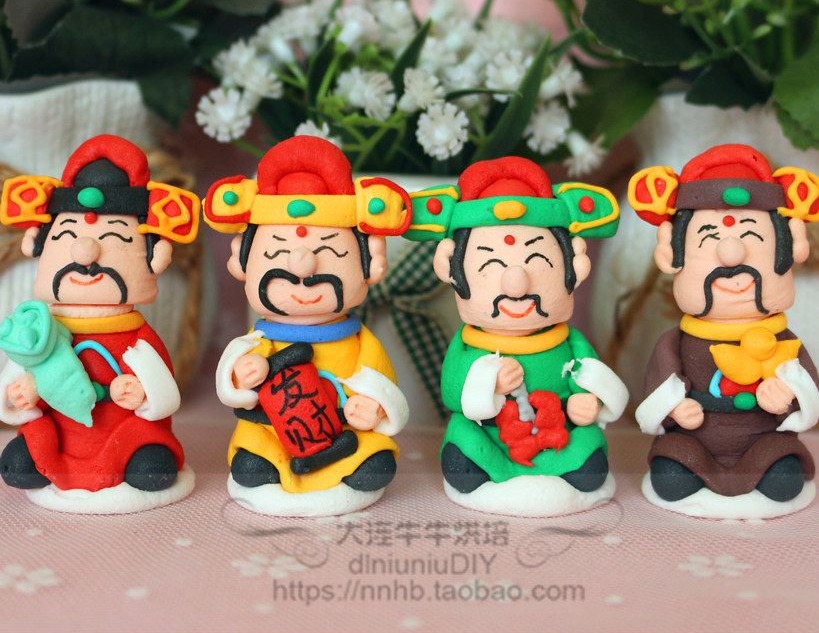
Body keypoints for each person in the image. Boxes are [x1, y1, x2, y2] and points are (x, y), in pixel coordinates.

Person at [406, 156, 627, 516]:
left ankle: (569, 468)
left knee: (589, 459)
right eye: (490, 265)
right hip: (492, 435)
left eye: (538, 262)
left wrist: (588, 402)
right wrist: (488, 384)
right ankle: (484, 467)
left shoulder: (568, 342)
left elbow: (592, 377)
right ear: (453, 270)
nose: (516, 285)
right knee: (464, 449)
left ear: (573, 267)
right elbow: (452, 392)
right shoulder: (468, 344)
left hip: (558, 435)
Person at [204, 135, 412, 517]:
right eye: (276, 252)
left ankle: (350, 469)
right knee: (251, 464)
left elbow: (381, 381)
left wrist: (375, 406)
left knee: (375, 465)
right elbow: (233, 379)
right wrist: (241, 375)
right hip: (271, 431)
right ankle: (267, 466)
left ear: (371, 265)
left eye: (330, 252)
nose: (302, 267)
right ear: (242, 262)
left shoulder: (360, 341)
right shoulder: (259, 340)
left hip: (343, 434)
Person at [0, 134, 200, 512]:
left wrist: (143, 393)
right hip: (61, 429)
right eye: (67, 237)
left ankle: (134, 461)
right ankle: (46, 462)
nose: (84, 251)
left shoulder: (137, 337)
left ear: (154, 259)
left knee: (151, 469)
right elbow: (16, 377)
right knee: (19, 464)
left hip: (124, 431)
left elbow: (165, 392)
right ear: (37, 248)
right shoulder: (43, 329)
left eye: (113, 239)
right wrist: (23, 393)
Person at [630, 144, 819, 518]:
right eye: (708, 239)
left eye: (753, 239)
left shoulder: (784, 341)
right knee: (671, 480)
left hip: (765, 442)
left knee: (784, 482)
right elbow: (657, 389)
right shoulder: (677, 342)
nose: (731, 256)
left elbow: (809, 386)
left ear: (788, 253)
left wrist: (790, 393)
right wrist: (673, 408)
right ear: (672, 257)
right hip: (694, 443)